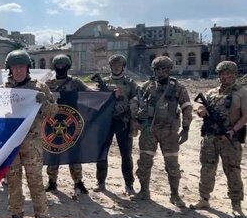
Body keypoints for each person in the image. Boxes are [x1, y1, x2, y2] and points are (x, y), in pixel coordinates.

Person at [1, 49, 58, 218]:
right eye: (14, 67)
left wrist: (44, 103)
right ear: (9, 69)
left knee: (36, 183)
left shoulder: (39, 87)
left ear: (28, 68)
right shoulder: (3, 89)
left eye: (21, 67)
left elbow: (53, 112)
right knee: (14, 183)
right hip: (11, 143)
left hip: (32, 144)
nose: (18, 71)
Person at [131, 56, 192, 208]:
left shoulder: (178, 87)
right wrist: (136, 120)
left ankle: (175, 194)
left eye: (164, 69)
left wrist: (185, 129)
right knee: (144, 162)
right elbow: (134, 102)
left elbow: (187, 107)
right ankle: (144, 191)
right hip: (149, 130)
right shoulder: (146, 86)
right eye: (158, 69)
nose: (161, 72)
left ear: (170, 70)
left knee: (172, 163)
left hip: (169, 131)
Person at [190, 61, 247, 218]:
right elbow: (201, 110)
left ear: (235, 75)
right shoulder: (211, 93)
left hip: (230, 138)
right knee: (207, 168)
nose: (226, 76)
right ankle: (204, 199)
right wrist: (200, 111)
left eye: (229, 73)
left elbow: (245, 117)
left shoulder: (242, 93)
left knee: (233, 171)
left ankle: (236, 205)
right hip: (210, 137)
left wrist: (233, 130)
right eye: (222, 73)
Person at [44, 54, 91, 195]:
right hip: (52, 123)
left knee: (74, 153)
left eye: (63, 65)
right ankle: (52, 181)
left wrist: (109, 94)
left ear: (68, 66)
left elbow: (91, 93)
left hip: (72, 123)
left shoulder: (75, 82)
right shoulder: (49, 83)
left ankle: (78, 182)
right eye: (57, 65)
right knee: (53, 151)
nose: (60, 68)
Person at [94, 54, 138, 196]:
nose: (116, 66)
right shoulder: (104, 82)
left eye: (119, 64)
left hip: (123, 122)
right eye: (114, 64)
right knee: (102, 152)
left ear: (123, 66)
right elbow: (96, 100)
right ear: (110, 66)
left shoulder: (130, 83)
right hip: (106, 122)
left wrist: (123, 101)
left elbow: (138, 100)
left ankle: (129, 185)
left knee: (126, 154)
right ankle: (100, 182)